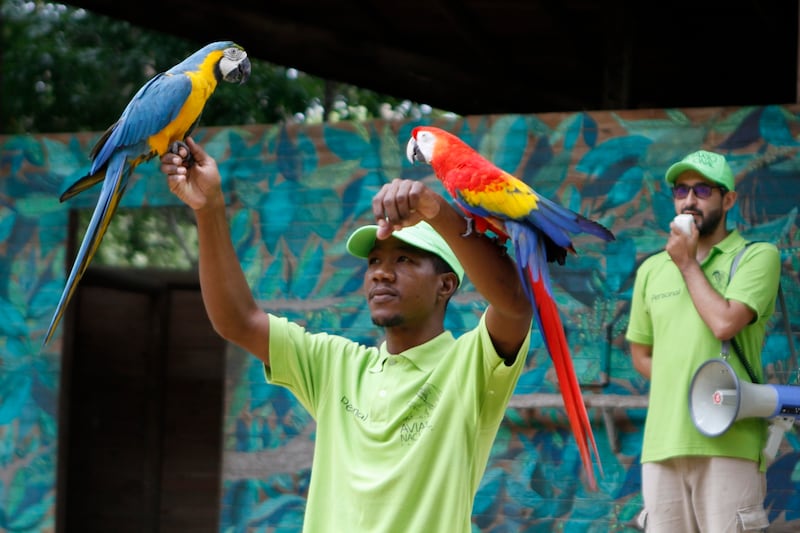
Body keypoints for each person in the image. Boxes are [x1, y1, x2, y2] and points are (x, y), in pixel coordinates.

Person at [160, 137, 534, 533]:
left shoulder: (470, 366)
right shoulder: (335, 365)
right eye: (374, 261)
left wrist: (434, 209)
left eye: (403, 259)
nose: (380, 273)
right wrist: (209, 208)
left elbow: (514, 304)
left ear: (446, 285)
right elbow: (237, 320)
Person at [625, 149, 782, 532]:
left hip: (729, 444)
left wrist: (686, 262)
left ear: (728, 199)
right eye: (681, 190)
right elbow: (641, 354)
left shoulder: (757, 256)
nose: (689, 200)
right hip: (661, 446)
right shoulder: (651, 269)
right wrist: (686, 390)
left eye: (702, 190)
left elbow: (725, 323)